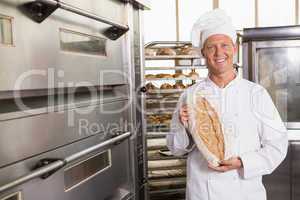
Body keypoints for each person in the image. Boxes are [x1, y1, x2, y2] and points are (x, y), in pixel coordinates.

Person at [166, 9, 288, 200]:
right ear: (203, 53)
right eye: (211, 47)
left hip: (246, 192)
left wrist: (242, 162)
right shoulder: (190, 96)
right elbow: (176, 149)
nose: (218, 52)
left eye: (224, 45)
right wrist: (183, 128)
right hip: (203, 192)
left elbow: (277, 146)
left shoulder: (256, 93)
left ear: (234, 49)